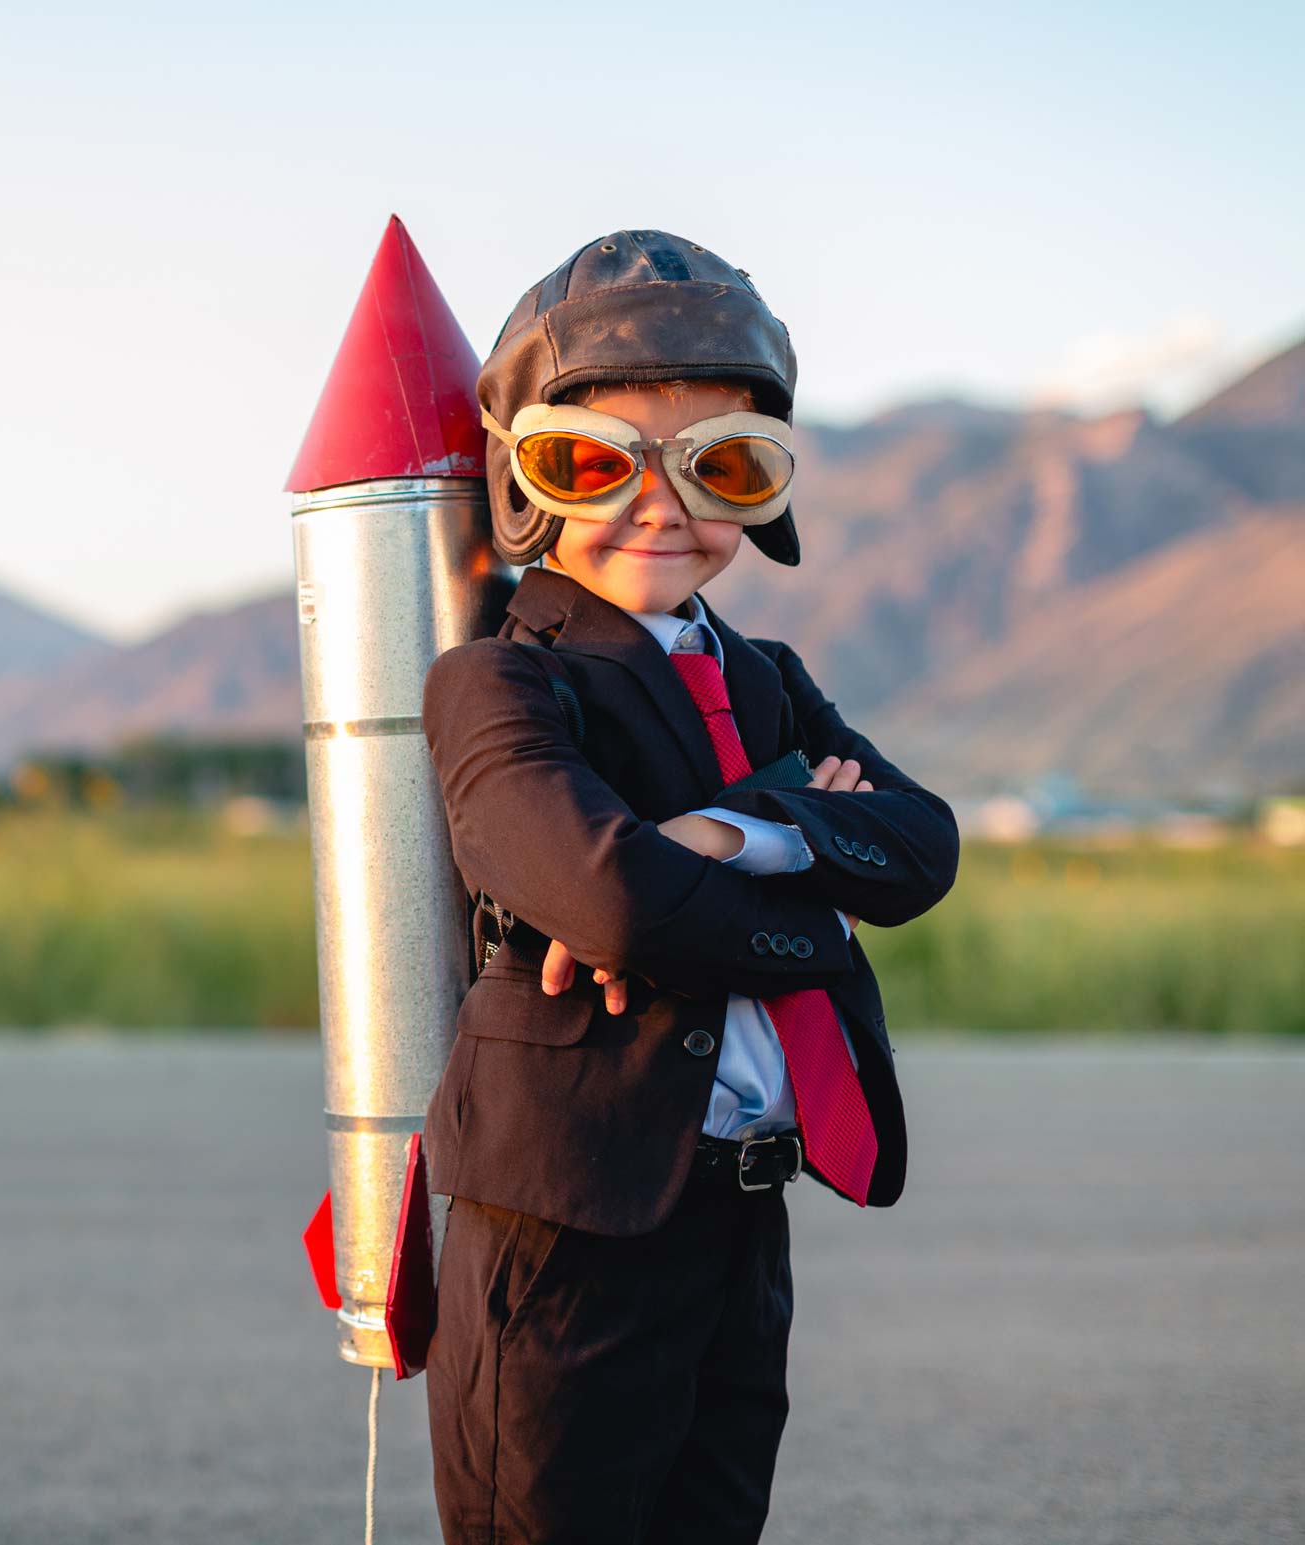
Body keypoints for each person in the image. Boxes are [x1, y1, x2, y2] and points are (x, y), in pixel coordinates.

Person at [416, 229, 960, 1543]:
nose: (657, 504)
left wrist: (722, 835)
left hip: (739, 1214)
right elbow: (607, 904)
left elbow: (923, 844)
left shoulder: (769, 676)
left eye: (717, 461)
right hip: (568, 1222)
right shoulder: (499, 681)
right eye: (591, 462)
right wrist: (818, 890)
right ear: (521, 476)